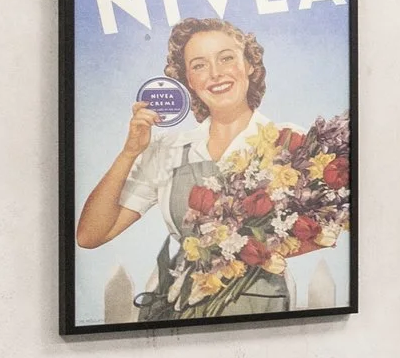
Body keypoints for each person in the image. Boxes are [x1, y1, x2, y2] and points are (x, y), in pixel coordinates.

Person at [74, 18, 296, 316]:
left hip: (259, 303)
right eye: (199, 65)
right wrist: (130, 153)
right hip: (174, 307)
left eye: (227, 58)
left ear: (250, 66)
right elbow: (90, 235)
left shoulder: (290, 142)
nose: (216, 74)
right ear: (187, 80)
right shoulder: (169, 150)